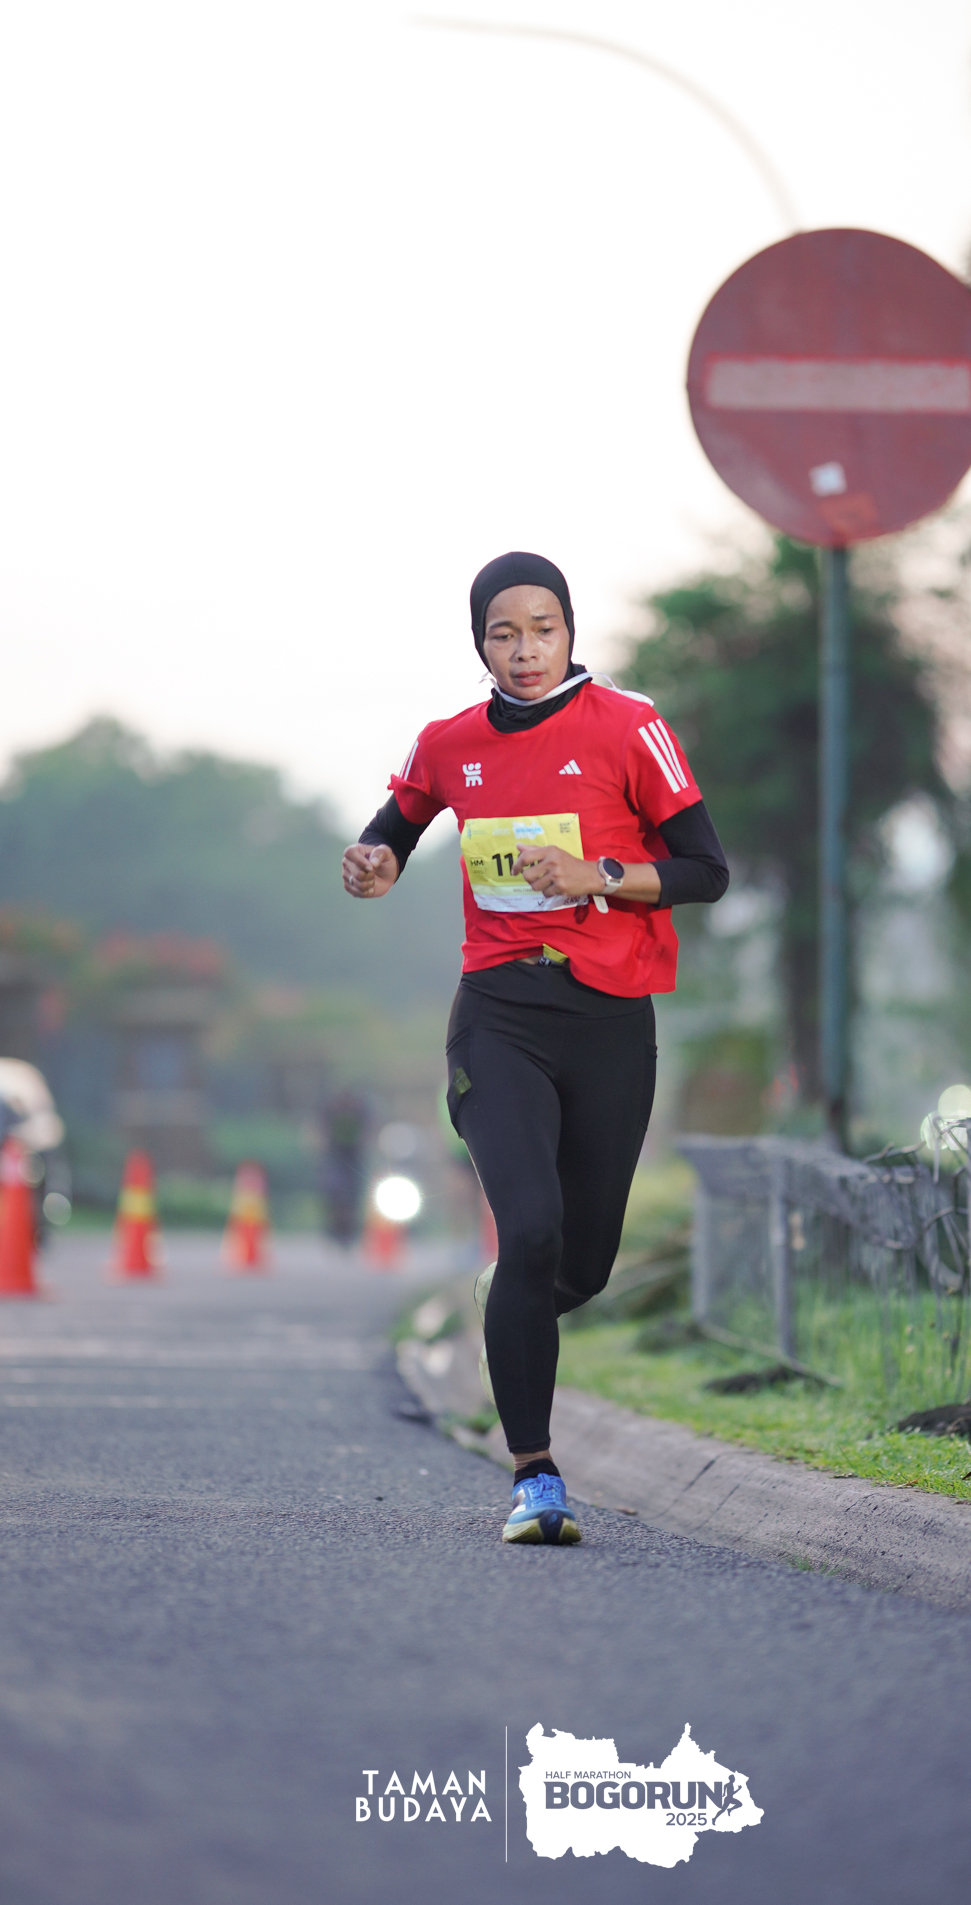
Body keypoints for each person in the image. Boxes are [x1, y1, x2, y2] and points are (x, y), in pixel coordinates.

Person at [342, 552, 728, 1544]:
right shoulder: (449, 744)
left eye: (542, 628)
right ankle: (534, 1477)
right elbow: (393, 833)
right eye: (503, 633)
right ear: (479, 642)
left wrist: (600, 875)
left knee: (580, 1265)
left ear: (570, 631)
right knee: (532, 1230)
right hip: (498, 1015)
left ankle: (509, 1303)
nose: (524, 649)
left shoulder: (627, 727)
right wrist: (374, 862)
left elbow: (705, 869)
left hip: (609, 1018)